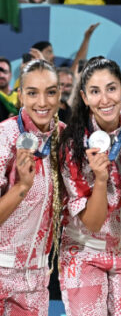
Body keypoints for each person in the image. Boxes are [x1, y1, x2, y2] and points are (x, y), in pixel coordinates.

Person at [57, 57, 121, 315]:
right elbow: (92, 223)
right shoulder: (73, 144)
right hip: (84, 250)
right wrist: (101, 180)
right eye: (95, 91)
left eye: (111, 88)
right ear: (84, 97)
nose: (105, 99)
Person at [0, 59, 64, 315]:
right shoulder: (4, 137)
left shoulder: (65, 140)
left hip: (35, 279)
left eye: (50, 92)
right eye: (32, 92)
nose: (42, 102)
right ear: (20, 95)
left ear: (60, 94)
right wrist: (22, 187)